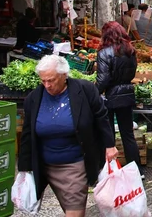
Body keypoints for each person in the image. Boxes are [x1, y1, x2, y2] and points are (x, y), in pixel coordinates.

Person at [18, 55, 117, 216]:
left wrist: (109, 145)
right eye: (43, 81)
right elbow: (27, 134)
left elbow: (101, 117)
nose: (47, 85)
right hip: (44, 164)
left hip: (74, 164)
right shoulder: (34, 98)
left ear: (64, 75)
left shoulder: (85, 90)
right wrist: (24, 169)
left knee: (74, 212)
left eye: (51, 80)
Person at [96, 21, 143, 177]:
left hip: (109, 96)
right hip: (126, 93)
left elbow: (103, 78)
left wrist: (95, 92)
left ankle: (108, 171)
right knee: (127, 135)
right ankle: (137, 171)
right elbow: (132, 72)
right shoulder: (130, 51)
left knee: (108, 135)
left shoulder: (104, 53)